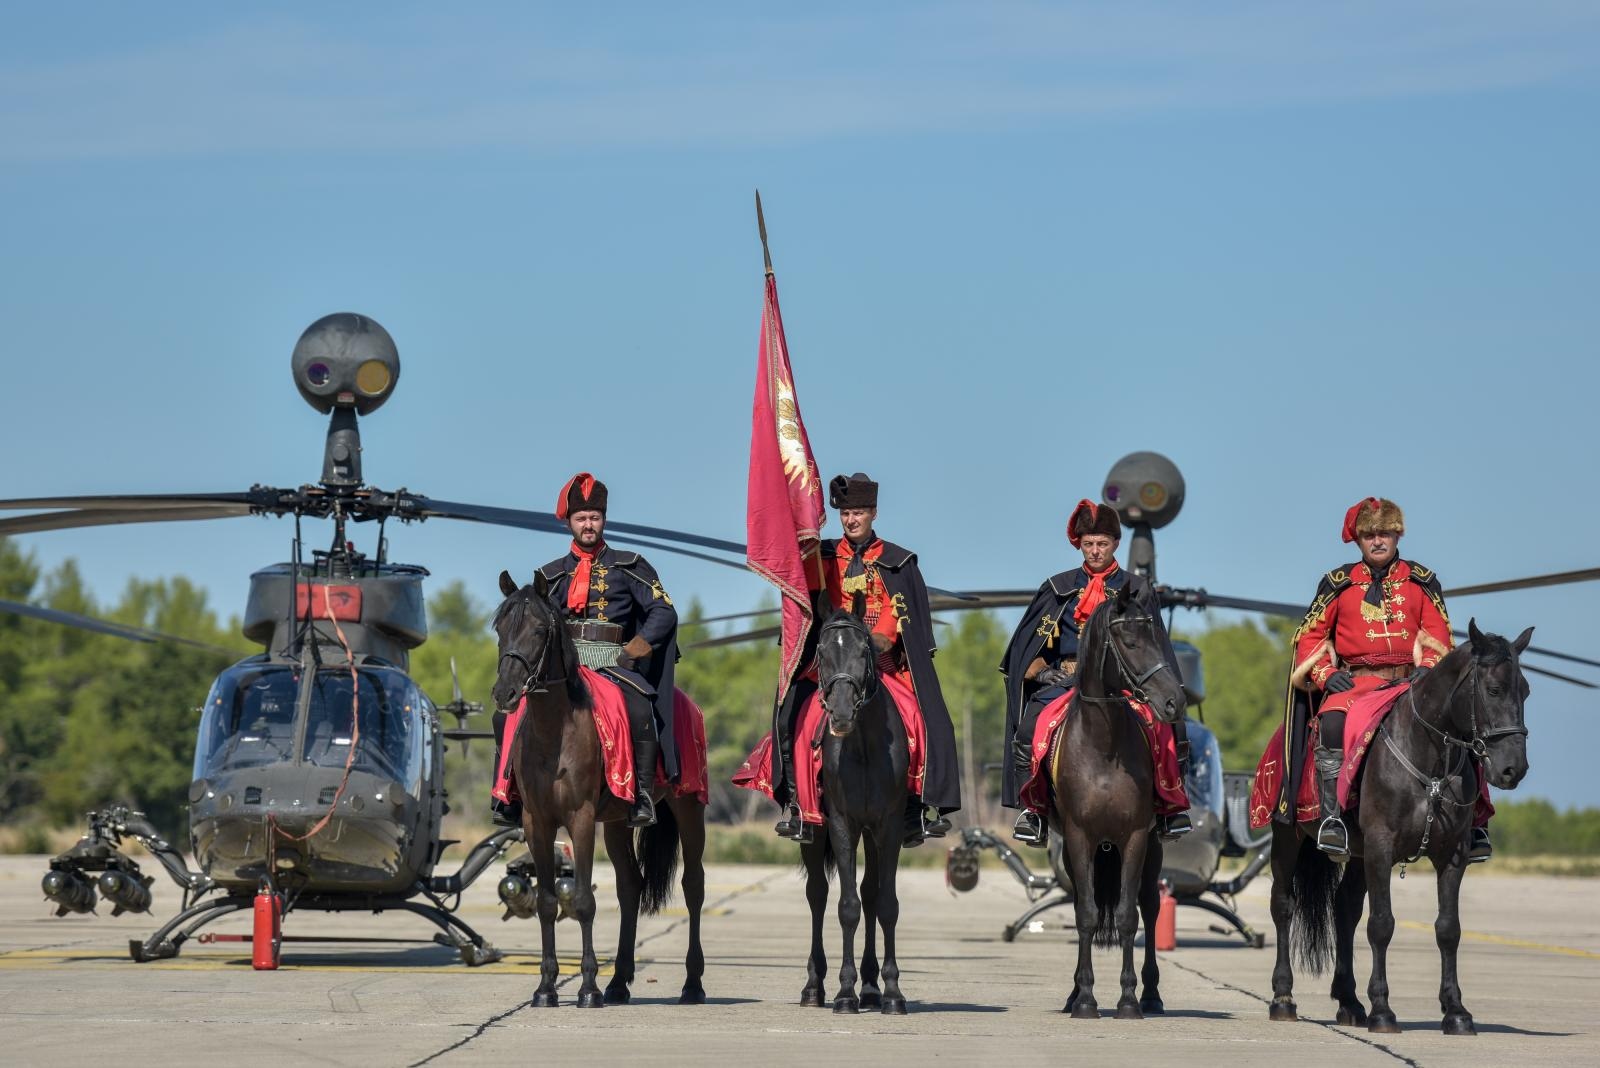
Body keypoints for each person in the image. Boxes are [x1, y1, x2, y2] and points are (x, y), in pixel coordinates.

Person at [1284, 496, 1488, 860]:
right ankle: (1333, 819)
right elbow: (1310, 637)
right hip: (1356, 685)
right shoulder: (1338, 583)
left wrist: (1427, 669)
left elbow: (1438, 634)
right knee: (1331, 724)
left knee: (1465, 724)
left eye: (1386, 533)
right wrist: (1326, 674)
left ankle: (1472, 822)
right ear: (1358, 540)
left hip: (1411, 685)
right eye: (1369, 534)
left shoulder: (1421, 581)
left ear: (1398, 536)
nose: (1378, 541)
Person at [769, 472, 960, 846]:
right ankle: (797, 803)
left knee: (923, 721)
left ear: (873, 513)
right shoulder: (821, 556)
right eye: (845, 514)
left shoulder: (897, 562)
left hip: (881, 662)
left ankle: (915, 807)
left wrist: (878, 639)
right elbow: (803, 599)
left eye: (858, 512)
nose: (851, 520)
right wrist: (798, 537)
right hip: (832, 663)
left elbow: (899, 609)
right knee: (789, 717)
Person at [491, 472, 681, 829]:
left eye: (595, 517)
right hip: (566, 663)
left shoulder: (630, 565)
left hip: (614, 658)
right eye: (581, 518)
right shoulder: (551, 575)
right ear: (569, 523)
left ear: (603, 520)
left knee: (639, 706)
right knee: (505, 715)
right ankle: (508, 796)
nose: (588, 524)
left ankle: (641, 795)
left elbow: (663, 611)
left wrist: (634, 650)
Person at [1000, 499, 1192, 847]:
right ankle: (1035, 812)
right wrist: (1042, 673)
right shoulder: (1058, 589)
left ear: (1116, 544)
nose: (1095, 551)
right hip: (1067, 681)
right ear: (1080, 545)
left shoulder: (1138, 589)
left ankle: (1170, 808)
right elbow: (1025, 648)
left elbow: (1154, 643)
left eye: (1102, 543)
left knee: (1169, 724)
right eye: (1088, 544)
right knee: (1031, 725)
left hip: (1128, 683)